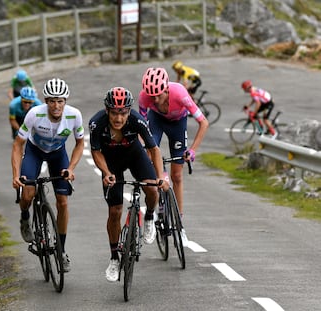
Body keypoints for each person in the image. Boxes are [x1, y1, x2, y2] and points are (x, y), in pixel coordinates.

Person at [89, 86, 168, 282]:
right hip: (111, 163)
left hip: (134, 155)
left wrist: (160, 177)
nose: (118, 118)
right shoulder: (96, 124)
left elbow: (154, 149)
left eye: (123, 113)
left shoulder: (137, 120)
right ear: (107, 110)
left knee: (151, 188)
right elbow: (96, 152)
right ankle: (114, 257)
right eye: (114, 113)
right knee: (115, 210)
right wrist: (106, 173)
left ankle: (149, 216)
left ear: (128, 111)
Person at [11, 78, 84, 273]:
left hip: (58, 154)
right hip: (35, 152)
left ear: (65, 101)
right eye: (52, 101)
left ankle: (61, 250)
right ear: (45, 100)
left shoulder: (74, 115)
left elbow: (80, 143)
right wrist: (16, 175)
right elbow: (18, 145)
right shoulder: (34, 114)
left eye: (60, 101)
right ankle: (25, 216)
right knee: (27, 194)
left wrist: (71, 168)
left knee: (63, 202)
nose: (56, 105)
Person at [139, 67, 209, 247]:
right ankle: (157, 200)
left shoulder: (180, 93)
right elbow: (141, 128)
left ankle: (179, 225)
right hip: (156, 122)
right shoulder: (144, 97)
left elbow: (203, 123)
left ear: (166, 89)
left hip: (178, 124)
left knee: (177, 175)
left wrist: (192, 150)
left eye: (158, 95)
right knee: (149, 150)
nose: (154, 99)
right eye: (151, 95)